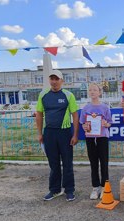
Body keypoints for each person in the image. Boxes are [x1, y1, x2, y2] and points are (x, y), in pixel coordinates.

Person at [36, 69, 79, 202]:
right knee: (53, 164)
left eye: (57, 79)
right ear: (49, 80)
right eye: (52, 79)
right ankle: (54, 190)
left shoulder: (68, 95)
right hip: (49, 133)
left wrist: (75, 134)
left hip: (65, 133)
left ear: (62, 81)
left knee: (67, 163)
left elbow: (75, 115)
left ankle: (69, 190)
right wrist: (39, 134)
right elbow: (39, 114)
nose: (54, 82)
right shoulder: (43, 95)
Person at [79, 83, 112, 200]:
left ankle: (104, 187)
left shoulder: (105, 107)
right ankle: (95, 187)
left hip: (102, 137)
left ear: (99, 92)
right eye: (90, 90)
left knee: (104, 163)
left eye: (95, 90)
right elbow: (82, 122)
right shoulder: (86, 108)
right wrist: (84, 126)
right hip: (90, 138)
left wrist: (105, 124)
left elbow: (109, 122)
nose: (92, 92)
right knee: (93, 163)